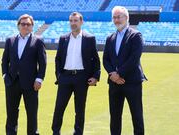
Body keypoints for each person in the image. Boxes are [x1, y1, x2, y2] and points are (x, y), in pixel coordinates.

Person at [52, 12, 100, 135]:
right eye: (71, 21)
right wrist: (59, 76)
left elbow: (96, 59)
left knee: (79, 109)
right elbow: (58, 59)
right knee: (59, 108)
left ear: (81, 22)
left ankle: (78, 132)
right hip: (65, 77)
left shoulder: (89, 38)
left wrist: (95, 76)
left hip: (81, 78)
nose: (73, 23)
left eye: (75, 21)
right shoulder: (63, 38)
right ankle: (55, 132)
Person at [103, 6, 147, 135]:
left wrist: (119, 74)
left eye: (119, 17)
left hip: (132, 82)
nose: (116, 20)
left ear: (126, 18)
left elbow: (134, 58)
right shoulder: (110, 37)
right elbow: (105, 59)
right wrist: (112, 74)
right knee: (115, 117)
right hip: (114, 83)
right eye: (114, 17)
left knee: (137, 116)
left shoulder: (135, 35)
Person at [1, 14, 46, 135]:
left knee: (31, 113)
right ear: (18, 25)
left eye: (28, 24)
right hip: (12, 82)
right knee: (11, 112)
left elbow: (42, 63)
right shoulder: (10, 40)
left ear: (32, 27)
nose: (25, 26)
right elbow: (5, 61)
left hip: (31, 84)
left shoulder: (38, 41)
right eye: (23, 24)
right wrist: (5, 76)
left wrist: (39, 79)